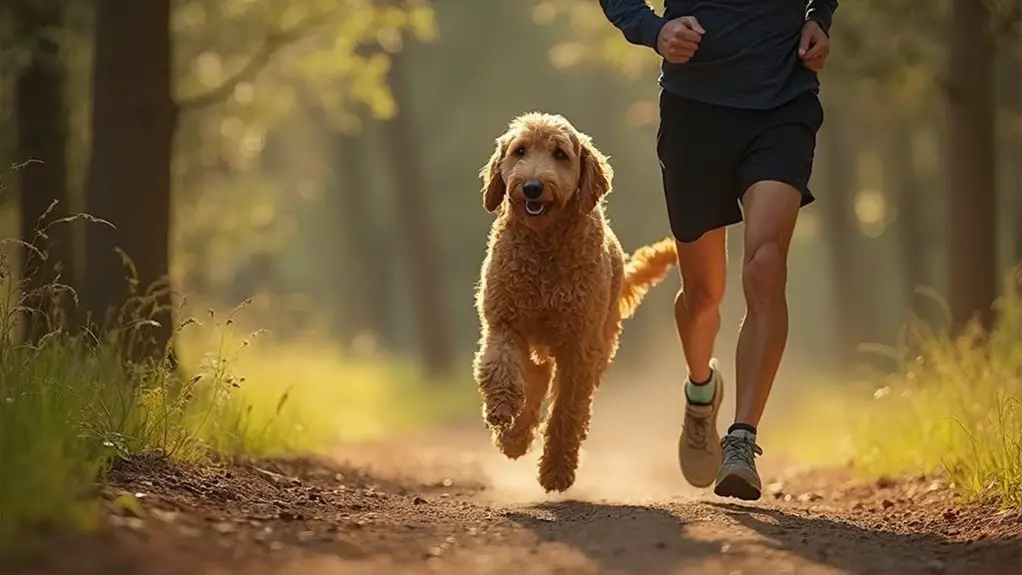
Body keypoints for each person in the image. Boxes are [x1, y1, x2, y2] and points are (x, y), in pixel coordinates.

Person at [599, 0, 837, 500]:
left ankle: (742, 439)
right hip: (695, 110)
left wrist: (820, 15)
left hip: (782, 99)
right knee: (704, 296)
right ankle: (701, 389)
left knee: (766, 265)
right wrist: (653, 30)